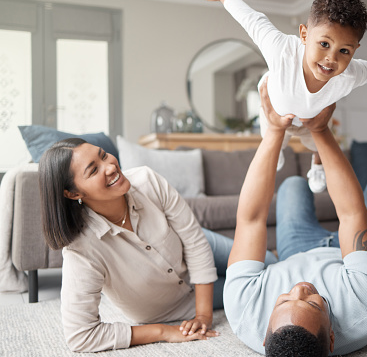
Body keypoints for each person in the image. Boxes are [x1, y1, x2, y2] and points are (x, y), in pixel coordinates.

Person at [222, 79, 367, 356]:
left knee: (292, 185)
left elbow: (251, 219)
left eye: (284, 300)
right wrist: (320, 129)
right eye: (314, 304)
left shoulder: (244, 310)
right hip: (350, 261)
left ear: (264, 337)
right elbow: (351, 214)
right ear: (333, 338)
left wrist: (275, 129)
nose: (300, 289)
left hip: (296, 250)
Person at [38, 137, 278, 352]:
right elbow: (81, 336)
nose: (111, 167)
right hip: (172, 307)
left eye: (103, 155)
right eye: (93, 170)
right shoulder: (81, 250)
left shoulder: (146, 180)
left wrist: (204, 315)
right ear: (72, 193)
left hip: (191, 245)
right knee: (265, 283)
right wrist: (164, 331)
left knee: (269, 261)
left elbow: (194, 242)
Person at [195, 0, 367, 193]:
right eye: (324, 44)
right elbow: (251, 19)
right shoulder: (280, 49)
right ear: (304, 35)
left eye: (344, 51)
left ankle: (317, 166)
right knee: (273, 144)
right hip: (274, 114)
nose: (331, 59)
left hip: (310, 121)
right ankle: (278, 149)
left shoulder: (352, 73)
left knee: (321, 146)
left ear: (355, 50)